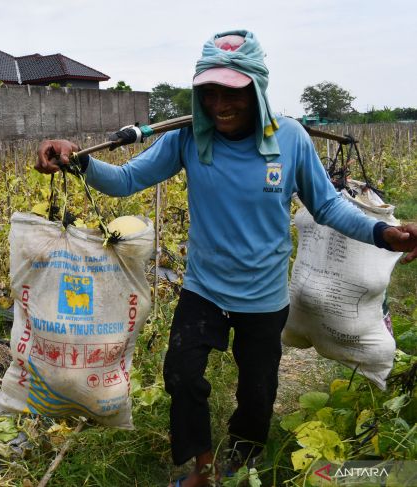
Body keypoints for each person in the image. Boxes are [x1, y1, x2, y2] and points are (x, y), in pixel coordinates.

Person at [34, 30, 417, 487]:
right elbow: (126, 180)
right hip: (204, 289)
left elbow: (328, 206)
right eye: (209, 92)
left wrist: (382, 233)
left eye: (233, 92)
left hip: (264, 296)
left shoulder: (290, 138)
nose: (220, 104)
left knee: (258, 390)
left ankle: (243, 455)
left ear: (257, 89)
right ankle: (201, 467)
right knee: (181, 374)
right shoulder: (187, 139)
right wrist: (78, 161)